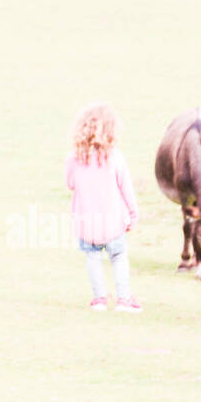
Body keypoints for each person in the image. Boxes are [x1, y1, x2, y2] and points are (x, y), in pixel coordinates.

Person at [66, 104, 141, 313]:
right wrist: (133, 213)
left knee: (93, 258)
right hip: (113, 222)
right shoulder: (115, 157)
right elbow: (126, 188)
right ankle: (124, 300)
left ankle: (99, 299)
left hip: (86, 223)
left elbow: (70, 184)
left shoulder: (73, 158)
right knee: (118, 258)